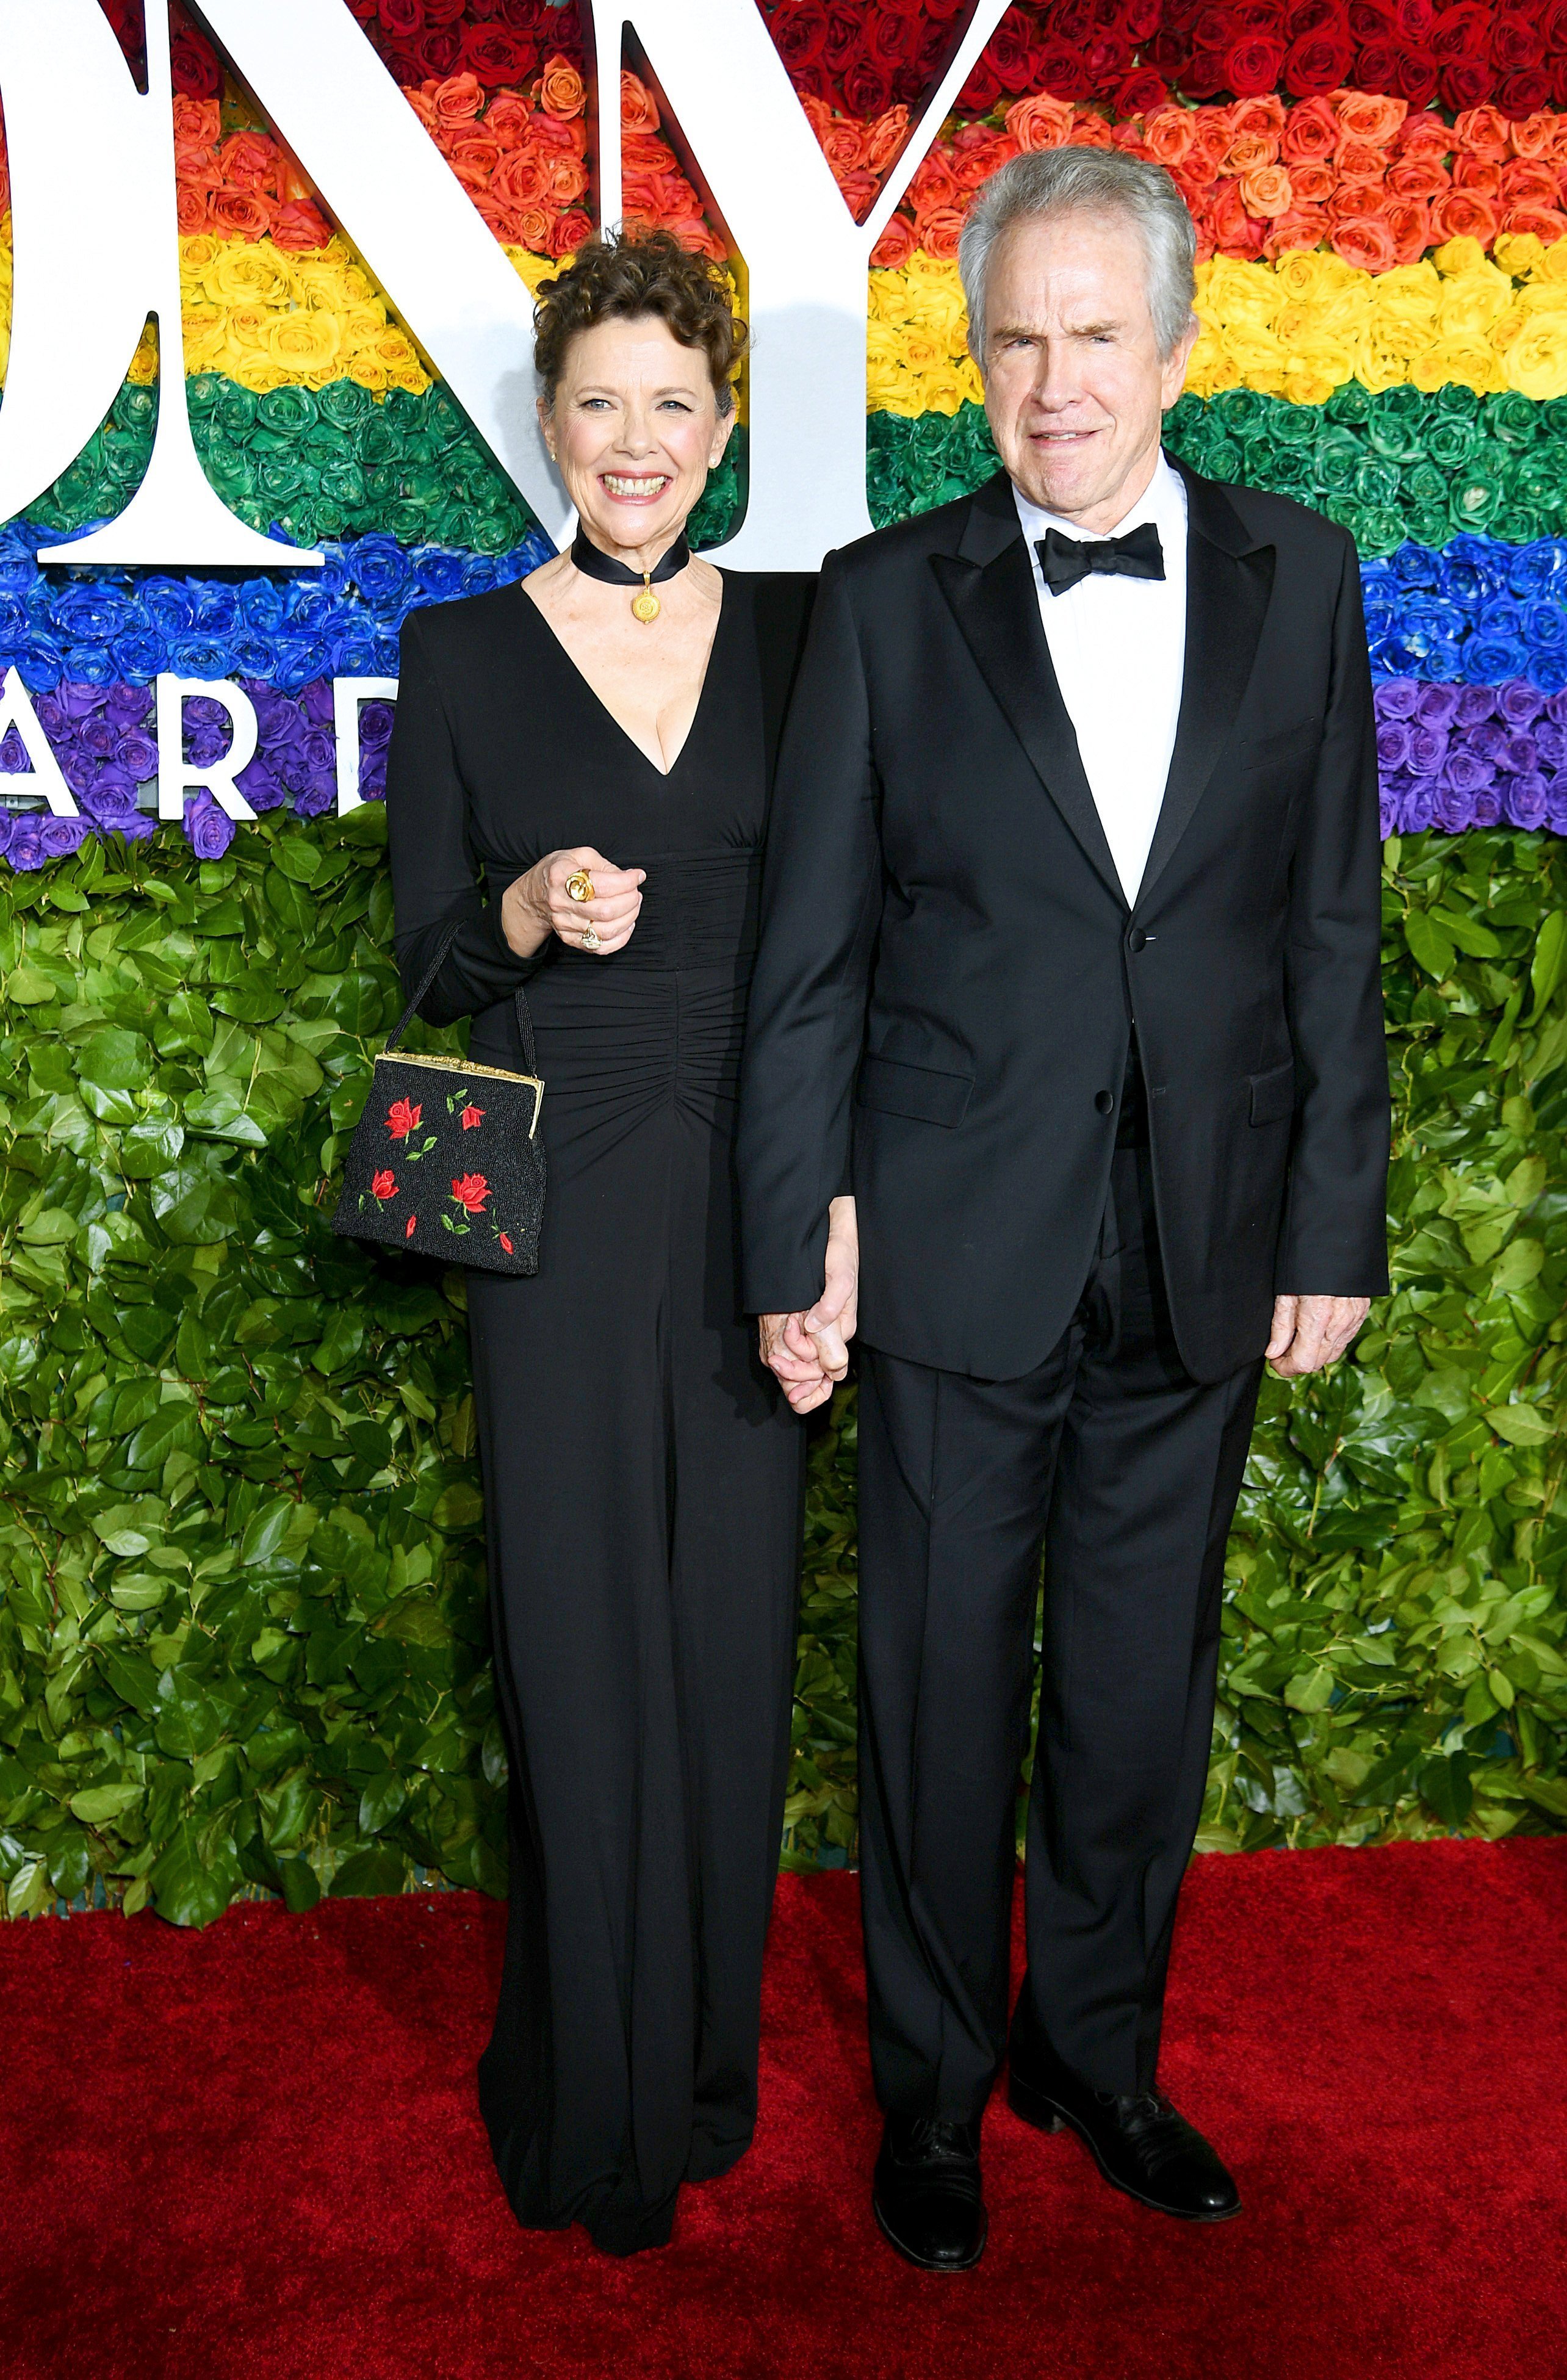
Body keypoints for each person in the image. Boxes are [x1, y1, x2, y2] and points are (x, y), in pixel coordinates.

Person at [738, 147, 1389, 2272]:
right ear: (978, 362)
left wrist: (1331, 1221)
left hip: (1199, 1238)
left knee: (1133, 1686)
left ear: (1179, 351)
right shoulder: (882, 595)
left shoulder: (1305, 575)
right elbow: (810, 957)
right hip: (947, 1237)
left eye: (1096, 334)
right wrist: (792, 1229)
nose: (1055, 381)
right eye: (1017, 337)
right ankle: (934, 2093)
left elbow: (1327, 936)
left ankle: (1093, 2054)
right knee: (933, 1682)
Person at [385, 229, 815, 2257]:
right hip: (552, 1217)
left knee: (728, 1646)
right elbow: (423, 960)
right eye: (596, 401)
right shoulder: (461, 652)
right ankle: (590, 2091)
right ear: (541, 422)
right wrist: (531, 913)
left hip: (750, 1189)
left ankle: (705, 2072)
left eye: (673, 403)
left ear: (722, 426)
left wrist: (831, 1218)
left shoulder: (815, 637)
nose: (634, 440)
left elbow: (859, 948)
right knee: (575, 1642)